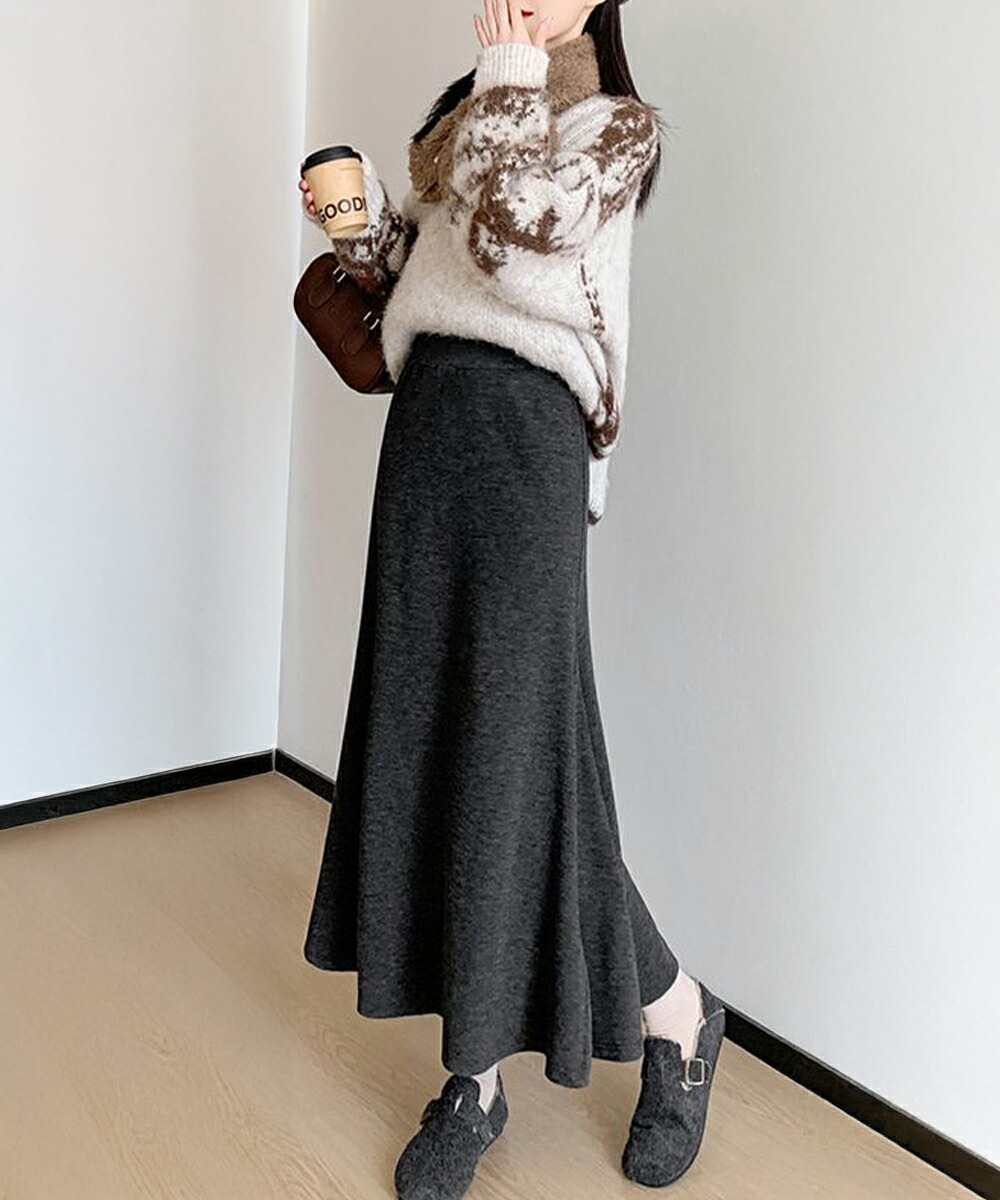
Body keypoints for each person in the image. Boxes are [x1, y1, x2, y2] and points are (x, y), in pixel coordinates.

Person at [298, 1, 725, 1195]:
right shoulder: (471, 111)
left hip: (529, 441)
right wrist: (364, 234)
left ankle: (549, 1052)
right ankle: (546, 1058)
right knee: (440, 746)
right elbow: (433, 274)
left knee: (514, 762)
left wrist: (507, 75)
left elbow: (514, 237)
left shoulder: (617, 126)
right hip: (429, 435)